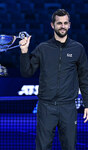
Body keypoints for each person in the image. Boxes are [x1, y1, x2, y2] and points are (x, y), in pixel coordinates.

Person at [19, 9, 88, 150]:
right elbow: (27, 72)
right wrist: (24, 51)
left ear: (69, 25)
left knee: (69, 147)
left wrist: (87, 103)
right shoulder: (42, 48)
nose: (62, 26)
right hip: (46, 107)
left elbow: (84, 77)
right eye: (59, 23)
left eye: (65, 23)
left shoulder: (78, 48)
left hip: (68, 108)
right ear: (52, 25)